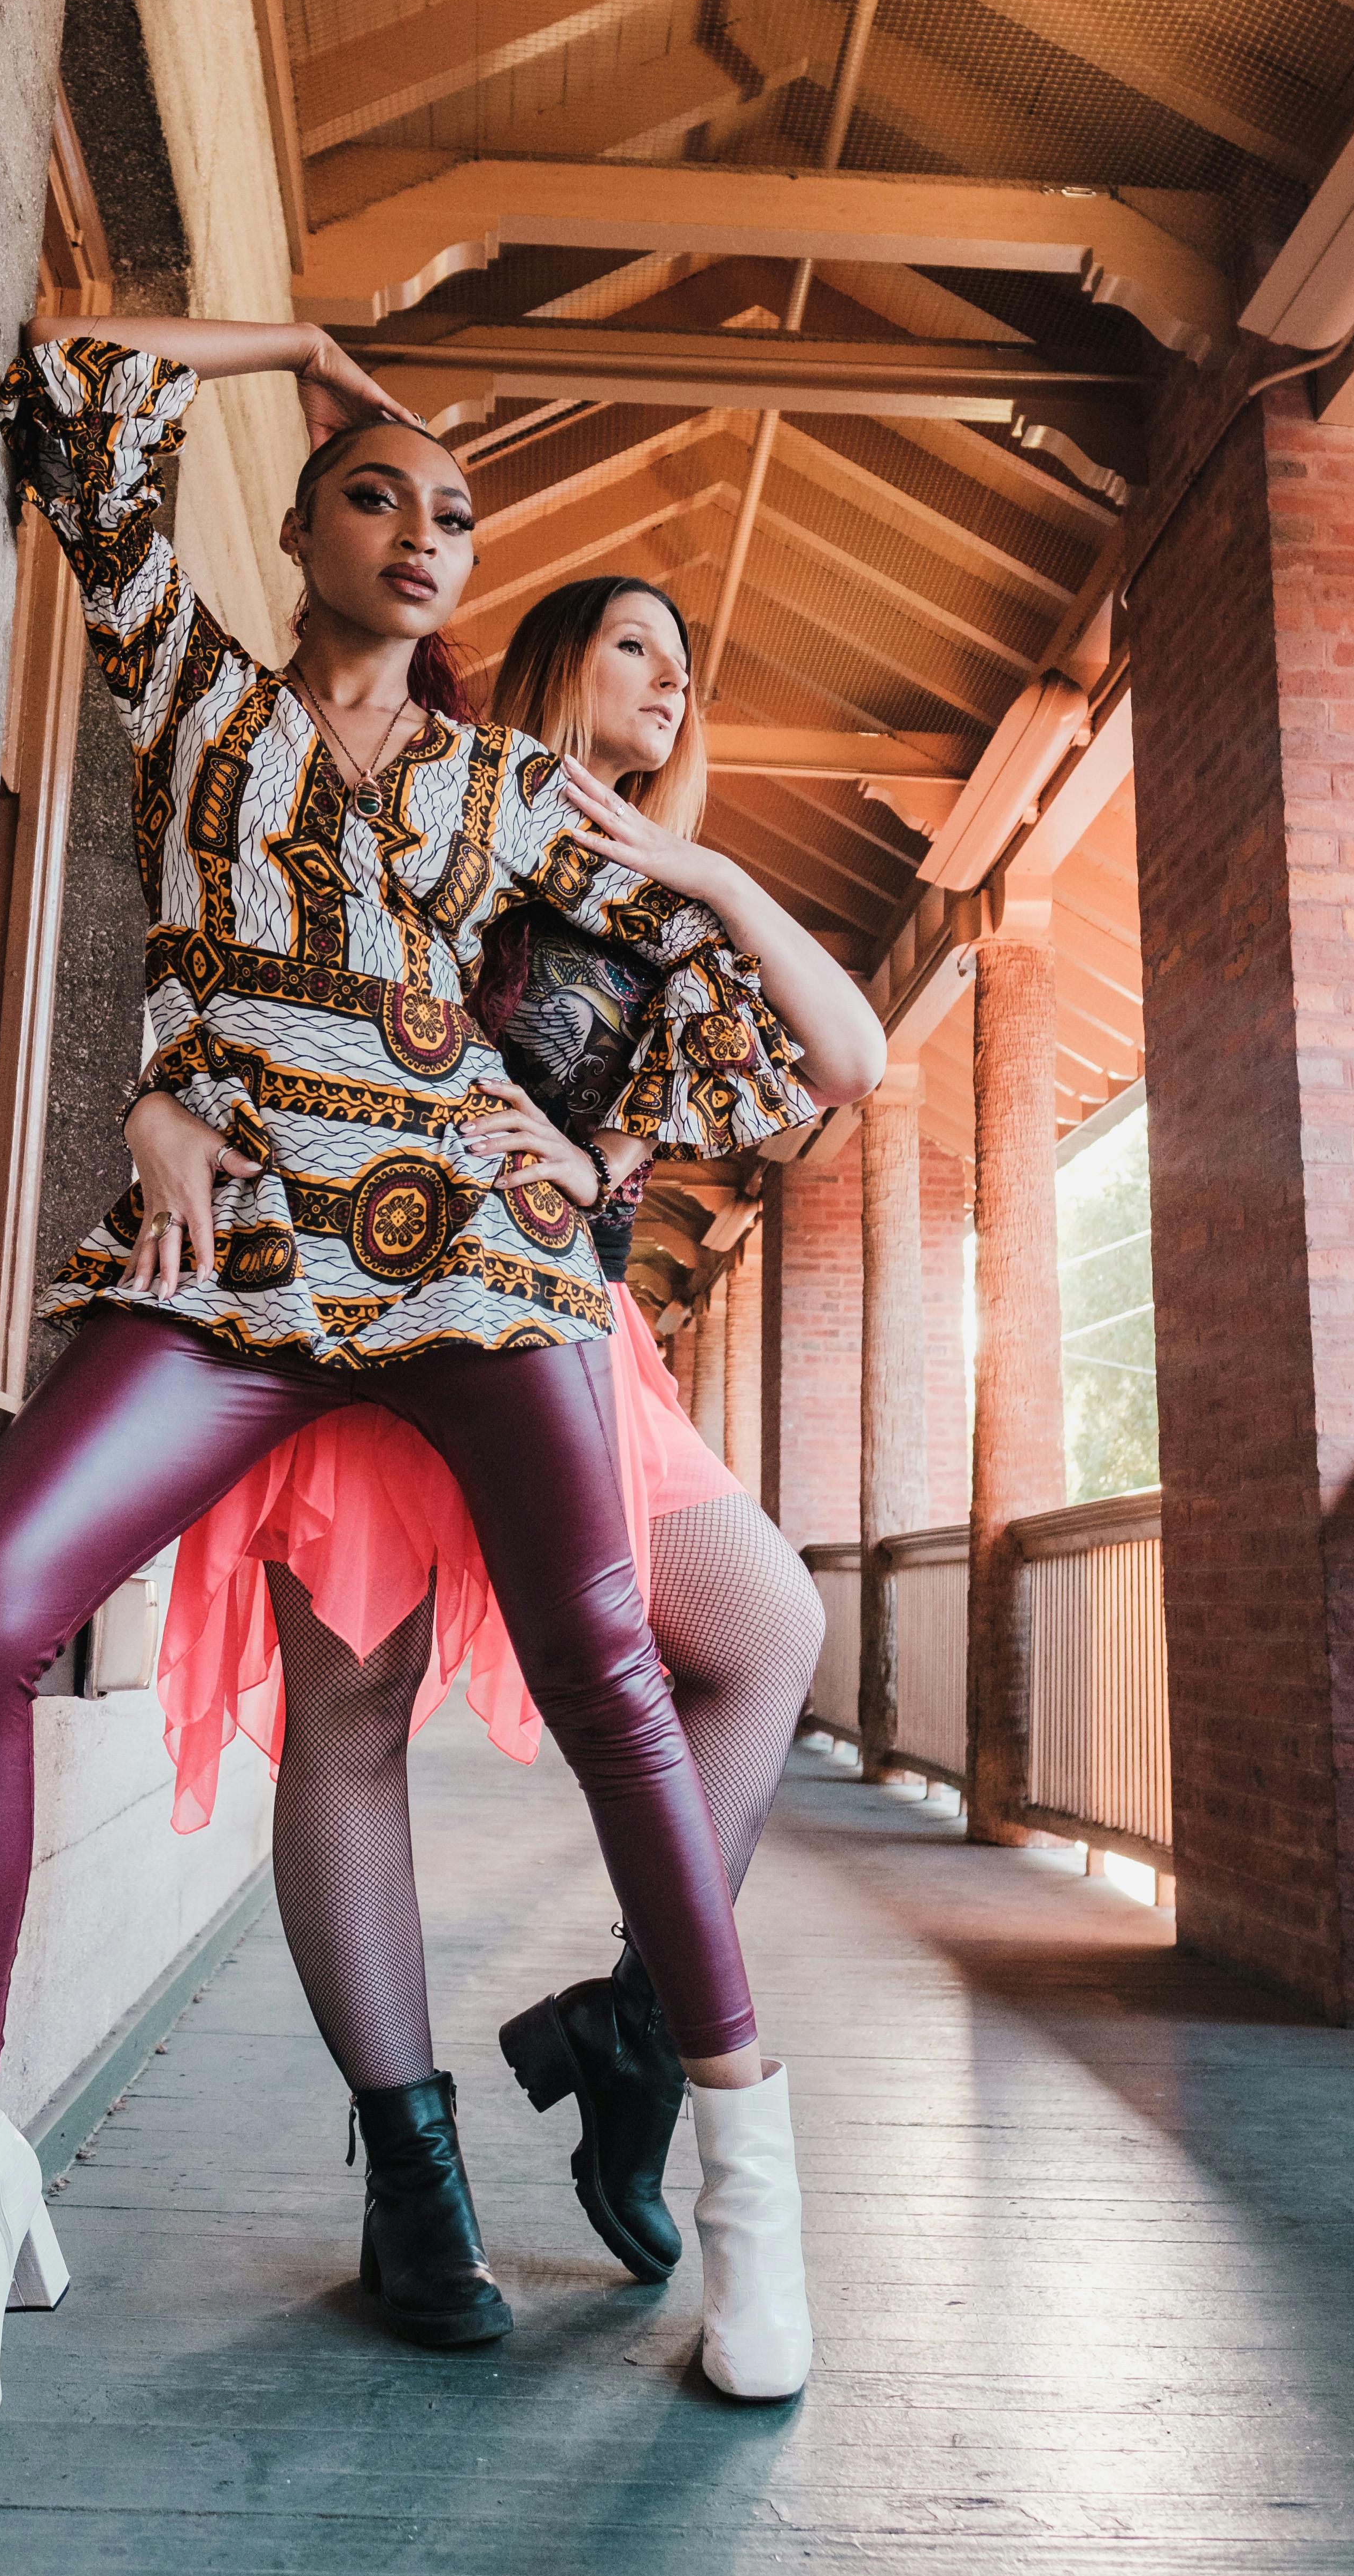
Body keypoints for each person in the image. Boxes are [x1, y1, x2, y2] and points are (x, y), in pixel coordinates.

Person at [0, 321, 821, 2474]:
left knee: (606, 1662)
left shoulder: (507, 794)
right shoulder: (189, 688)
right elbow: (81, 378)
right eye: (374, 492)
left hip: (473, 1281)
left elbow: (763, 1051)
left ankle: (758, 2203)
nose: (420, 531)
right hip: (232, 1272)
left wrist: (581, 1132)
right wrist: (291, 343)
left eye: (455, 515)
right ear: (293, 528)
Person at [158, 574, 885, 2296]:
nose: (671, 678)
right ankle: (414, 2175)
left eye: (689, 665)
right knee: (350, 1712)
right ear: (558, 657)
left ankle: (637, 2030)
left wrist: (700, 873)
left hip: (565, 1333)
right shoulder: (429, 785)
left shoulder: (670, 912)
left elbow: (846, 1053)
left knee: (772, 1622)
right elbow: (261, 935)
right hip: (363, 1296)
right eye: (637, 641)